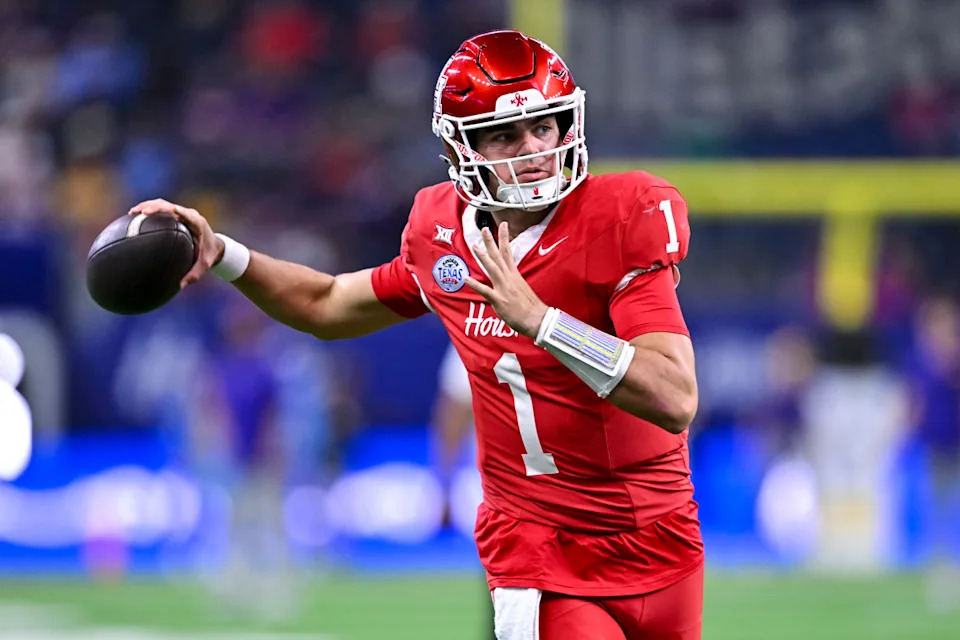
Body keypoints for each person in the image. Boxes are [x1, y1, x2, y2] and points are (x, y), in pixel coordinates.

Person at [131, 30, 702, 640]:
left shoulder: (626, 212)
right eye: (505, 133)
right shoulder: (443, 232)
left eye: (545, 125)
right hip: (544, 551)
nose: (533, 148)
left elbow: (674, 396)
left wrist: (540, 321)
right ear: (465, 147)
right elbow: (327, 302)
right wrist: (225, 254)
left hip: (663, 537)